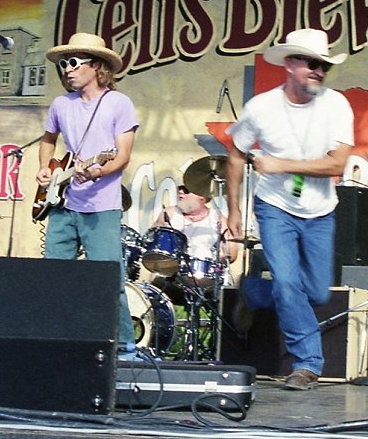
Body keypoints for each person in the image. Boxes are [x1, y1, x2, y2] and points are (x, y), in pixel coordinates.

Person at [225, 28, 353, 390]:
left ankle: (252, 292)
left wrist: (281, 165)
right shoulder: (260, 108)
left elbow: (336, 164)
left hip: (320, 210)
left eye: (324, 66)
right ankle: (308, 364)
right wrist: (234, 211)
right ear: (291, 64)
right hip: (275, 207)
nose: (319, 71)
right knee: (285, 281)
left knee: (317, 293)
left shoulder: (336, 104)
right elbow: (235, 153)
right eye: (312, 63)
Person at [37, 32, 138, 356]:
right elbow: (48, 140)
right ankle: (56, 340)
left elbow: (121, 156)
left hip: (101, 204)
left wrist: (97, 171)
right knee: (55, 276)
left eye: (74, 62)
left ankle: (124, 344)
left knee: (107, 278)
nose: (67, 69)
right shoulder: (60, 105)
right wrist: (46, 169)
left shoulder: (118, 103)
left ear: (97, 66)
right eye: (64, 64)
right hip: (63, 202)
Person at [149, 184, 239, 285]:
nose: (181, 192)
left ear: (202, 196)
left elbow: (231, 253)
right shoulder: (169, 214)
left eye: (186, 190)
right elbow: (150, 239)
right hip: (169, 274)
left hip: (203, 277)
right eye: (180, 189)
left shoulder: (217, 219)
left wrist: (220, 259)